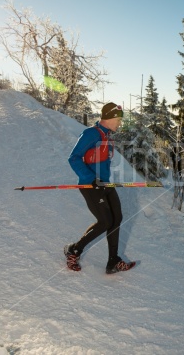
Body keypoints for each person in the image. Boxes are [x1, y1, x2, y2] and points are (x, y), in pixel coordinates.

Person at [64, 102, 133, 274]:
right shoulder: (90, 134)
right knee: (105, 221)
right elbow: (74, 158)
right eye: (118, 119)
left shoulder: (107, 137)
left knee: (116, 218)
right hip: (90, 185)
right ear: (109, 118)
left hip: (105, 183)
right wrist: (90, 179)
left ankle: (113, 261)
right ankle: (74, 250)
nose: (119, 123)